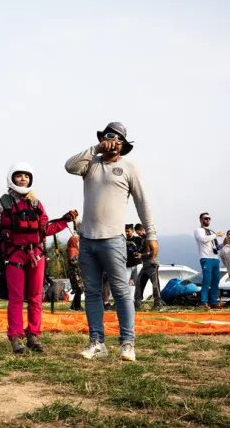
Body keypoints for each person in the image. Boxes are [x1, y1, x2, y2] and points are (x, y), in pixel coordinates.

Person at [65, 122, 158, 361]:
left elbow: (142, 203)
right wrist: (95, 148)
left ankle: (128, 344)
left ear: (123, 145)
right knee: (93, 293)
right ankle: (97, 342)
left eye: (117, 140)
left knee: (121, 292)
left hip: (113, 240)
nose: (111, 143)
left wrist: (151, 234)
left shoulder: (129, 168)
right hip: (87, 240)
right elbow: (69, 166)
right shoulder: (90, 165)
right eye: (108, 138)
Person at [0, 162, 76, 354]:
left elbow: (45, 229)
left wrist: (65, 220)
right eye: (19, 176)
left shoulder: (36, 203)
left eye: (26, 176)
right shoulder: (2, 203)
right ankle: (15, 337)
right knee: (16, 298)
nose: (23, 179)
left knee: (35, 297)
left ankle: (34, 335)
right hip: (14, 256)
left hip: (36, 255)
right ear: (12, 178)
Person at [194, 213, 225, 310]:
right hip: (206, 258)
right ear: (201, 220)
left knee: (216, 281)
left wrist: (224, 243)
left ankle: (214, 302)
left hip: (215, 258)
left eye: (209, 218)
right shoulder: (198, 230)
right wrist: (215, 235)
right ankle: (204, 302)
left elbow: (216, 247)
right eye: (205, 218)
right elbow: (203, 239)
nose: (207, 220)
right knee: (207, 281)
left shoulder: (211, 231)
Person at [133, 223, 164, 311]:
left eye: (139, 231)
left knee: (155, 285)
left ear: (142, 230)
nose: (138, 233)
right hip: (145, 265)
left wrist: (141, 255)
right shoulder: (142, 240)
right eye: (137, 232)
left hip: (152, 264)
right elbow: (140, 251)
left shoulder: (151, 239)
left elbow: (154, 252)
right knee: (139, 283)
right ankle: (137, 303)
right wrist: (137, 253)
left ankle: (158, 303)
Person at [66, 226, 84, 311]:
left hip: (77, 273)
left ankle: (74, 306)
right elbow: (73, 262)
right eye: (77, 241)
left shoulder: (75, 250)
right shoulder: (72, 250)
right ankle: (76, 306)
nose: (78, 243)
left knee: (79, 289)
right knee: (79, 289)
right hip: (75, 273)